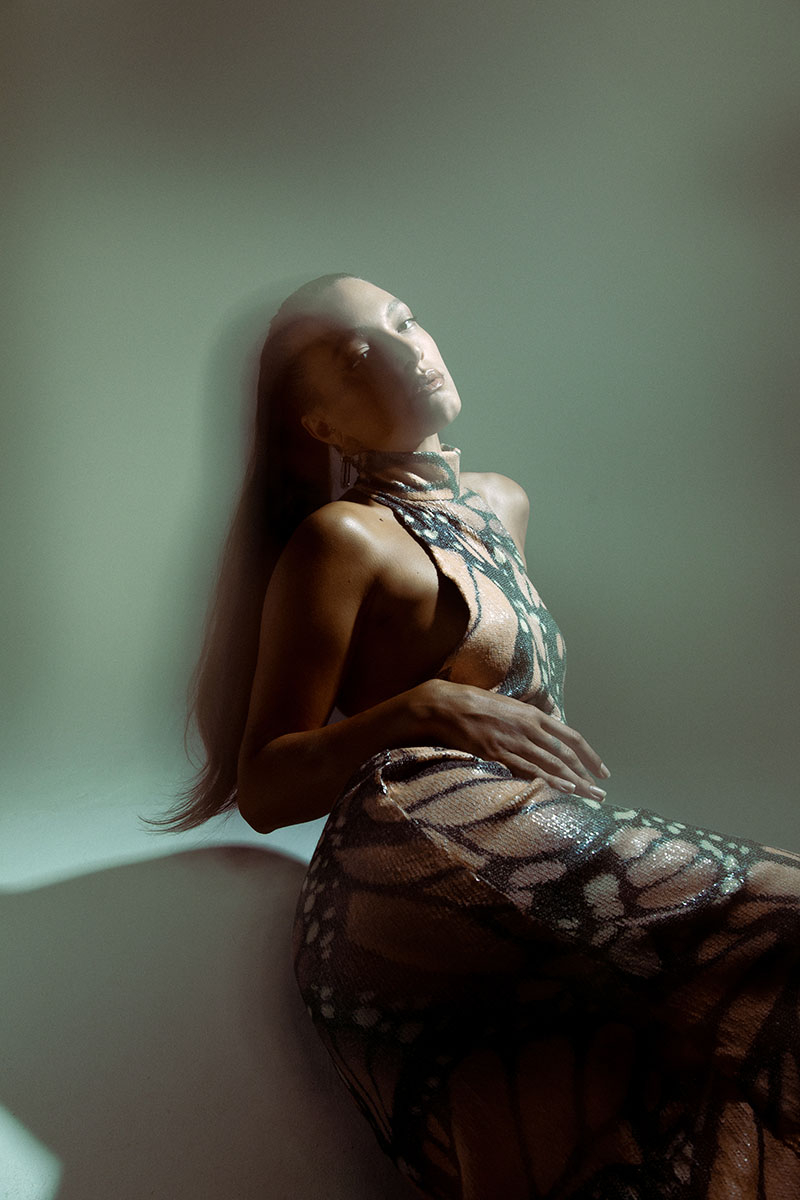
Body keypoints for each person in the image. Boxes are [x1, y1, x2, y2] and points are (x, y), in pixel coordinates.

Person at [145, 274, 800, 1198]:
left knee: (672, 1095)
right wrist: (422, 709)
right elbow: (264, 786)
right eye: (357, 353)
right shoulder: (341, 541)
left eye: (404, 319)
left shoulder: (502, 504)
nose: (405, 348)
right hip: (412, 854)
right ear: (320, 425)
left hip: (526, 843)